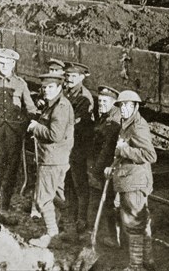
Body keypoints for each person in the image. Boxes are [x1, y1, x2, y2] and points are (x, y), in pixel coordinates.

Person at [0, 48, 39, 225]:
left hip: (14, 135)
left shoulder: (20, 84)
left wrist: (28, 124)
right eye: (1, 62)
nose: (4, 66)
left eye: (8, 63)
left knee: (11, 174)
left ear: (13, 64)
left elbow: (31, 109)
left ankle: (4, 207)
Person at [105, 90, 157, 271]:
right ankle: (147, 261)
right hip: (129, 179)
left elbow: (150, 155)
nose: (124, 109)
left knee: (134, 224)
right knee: (141, 221)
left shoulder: (138, 126)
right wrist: (113, 165)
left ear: (135, 106)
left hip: (135, 181)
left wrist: (124, 149)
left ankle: (136, 266)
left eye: (128, 106)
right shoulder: (127, 124)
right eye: (121, 106)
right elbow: (121, 151)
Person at [27, 72, 75, 247]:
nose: (46, 90)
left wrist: (36, 128)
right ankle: (67, 231)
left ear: (59, 87)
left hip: (52, 159)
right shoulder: (54, 104)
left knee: (43, 198)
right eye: (44, 87)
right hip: (58, 158)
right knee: (57, 196)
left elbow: (55, 134)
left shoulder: (60, 107)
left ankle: (51, 233)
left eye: (50, 87)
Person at [63, 61, 95, 233]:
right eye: (67, 75)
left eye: (73, 76)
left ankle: (81, 220)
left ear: (82, 77)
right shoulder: (67, 92)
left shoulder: (84, 97)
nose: (69, 79)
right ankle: (70, 217)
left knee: (79, 183)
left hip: (78, 146)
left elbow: (76, 123)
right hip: (68, 144)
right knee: (68, 182)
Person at [91, 85, 122, 248]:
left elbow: (107, 149)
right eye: (100, 101)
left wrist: (97, 169)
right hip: (109, 167)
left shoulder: (112, 122)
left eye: (105, 101)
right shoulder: (107, 116)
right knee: (112, 203)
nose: (101, 104)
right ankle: (116, 236)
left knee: (110, 202)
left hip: (110, 168)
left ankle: (114, 238)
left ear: (114, 103)